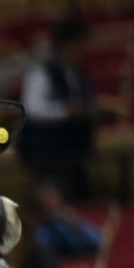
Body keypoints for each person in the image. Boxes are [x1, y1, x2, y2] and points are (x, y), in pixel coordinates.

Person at [19, 19, 96, 202]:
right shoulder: (42, 73)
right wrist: (66, 112)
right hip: (50, 155)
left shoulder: (78, 74)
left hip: (75, 153)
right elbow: (31, 109)